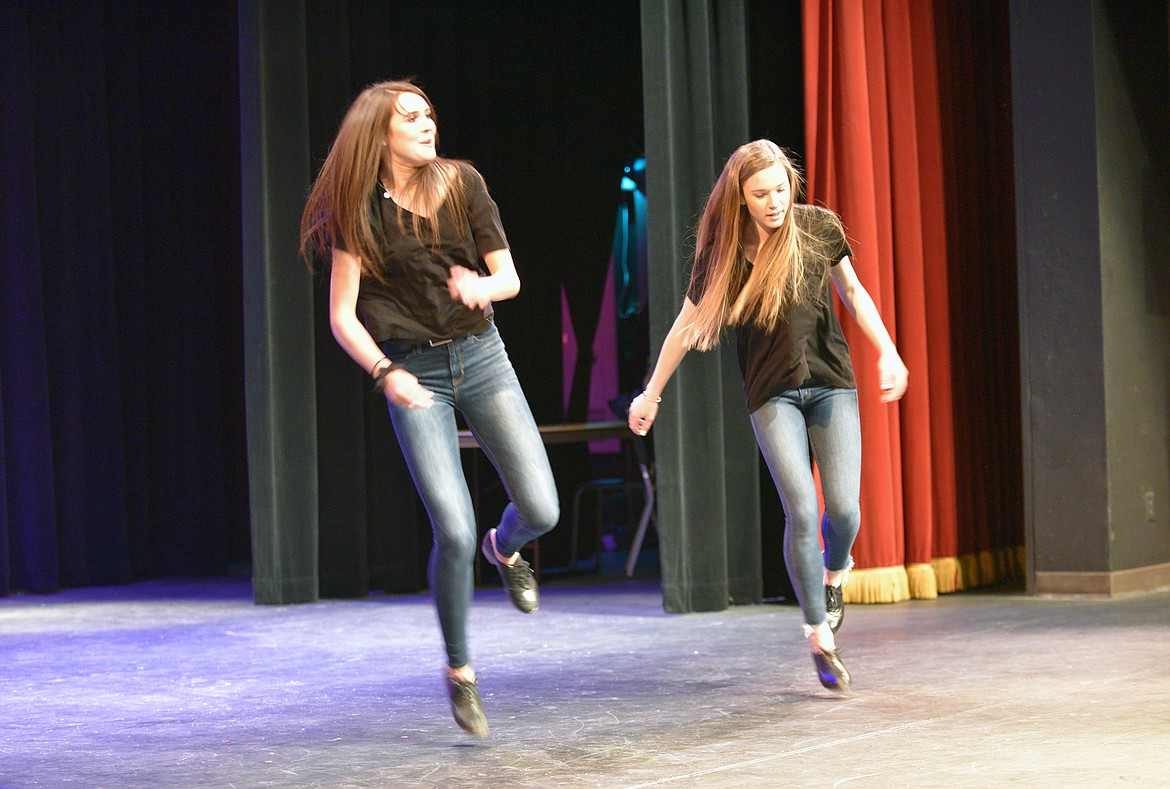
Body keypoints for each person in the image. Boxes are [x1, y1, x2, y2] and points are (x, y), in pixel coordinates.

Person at [300, 79, 559, 737]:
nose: (426, 123)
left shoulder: (463, 184)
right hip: (414, 371)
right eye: (409, 117)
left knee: (542, 508)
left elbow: (510, 277)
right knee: (453, 528)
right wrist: (385, 372)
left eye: (428, 114)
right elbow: (341, 315)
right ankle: (461, 670)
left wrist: (482, 285)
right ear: (377, 134)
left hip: (482, 357)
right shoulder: (356, 209)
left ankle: (510, 549)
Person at [627, 140, 908, 693]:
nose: (774, 201)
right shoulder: (725, 254)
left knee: (845, 513)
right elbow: (686, 328)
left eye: (781, 189)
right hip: (771, 396)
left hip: (831, 385)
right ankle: (819, 638)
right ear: (741, 198)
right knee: (802, 511)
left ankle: (834, 574)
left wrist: (888, 351)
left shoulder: (818, 228)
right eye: (761, 194)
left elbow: (853, 292)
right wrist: (651, 393)